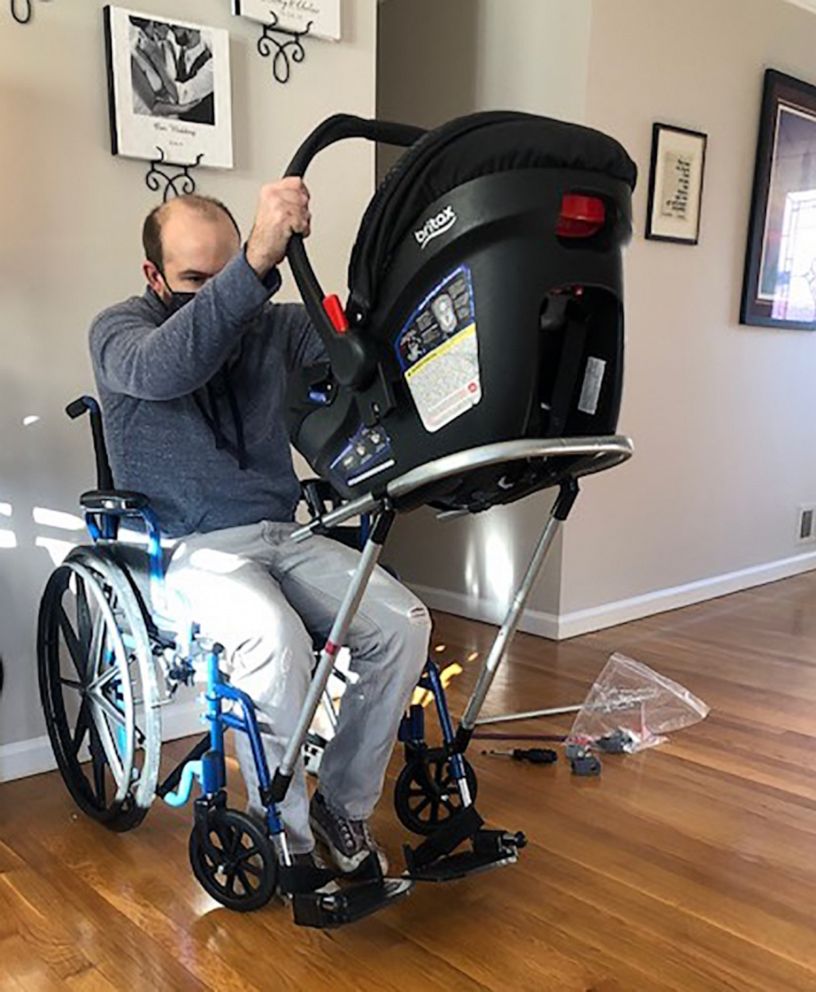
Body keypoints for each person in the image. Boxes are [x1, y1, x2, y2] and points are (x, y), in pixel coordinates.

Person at [89, 183, 432, 874]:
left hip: (284, 533)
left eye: (228, 272)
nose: (218, 292)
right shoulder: (119, 333)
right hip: (188, 551)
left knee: (403, 625)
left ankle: (345, 806)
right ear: (153, 276)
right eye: (194, 278)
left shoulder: (272, 323)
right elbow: (173, 367)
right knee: (273, 639)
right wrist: (252, 265)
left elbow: (352, 354)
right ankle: (291, 836)